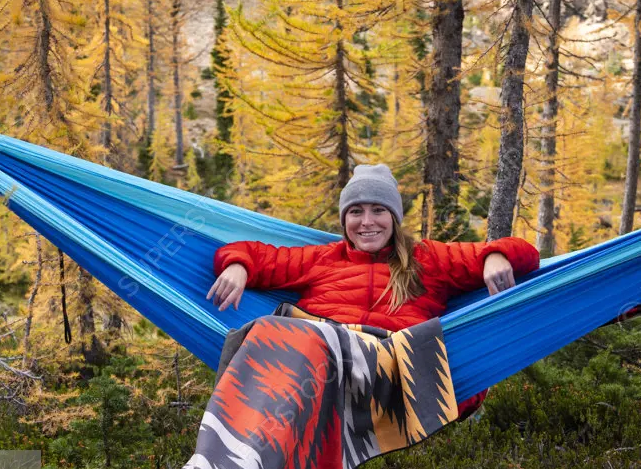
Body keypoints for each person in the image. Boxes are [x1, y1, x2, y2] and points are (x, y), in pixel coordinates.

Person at [207, 163, 540, 420]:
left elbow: (525, 252)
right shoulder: (323, 258)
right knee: (264, 332)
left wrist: (496, 255)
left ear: (394, 217)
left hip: (391, 374)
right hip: (324, 372)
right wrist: (238, 265)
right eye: (356, 211)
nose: (367, 222)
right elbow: (256, 254)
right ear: (344, 219)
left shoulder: (430, 259)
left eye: (378, 210)